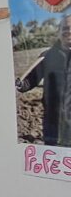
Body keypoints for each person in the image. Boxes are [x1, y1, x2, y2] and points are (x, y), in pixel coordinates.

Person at [16, 13, 71, 146]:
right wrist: (21, 84)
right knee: (52, 150)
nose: (68, 31)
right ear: (59, 32)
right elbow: (32, 79)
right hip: (53, 116)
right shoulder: (48, 56)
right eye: (65, 28)